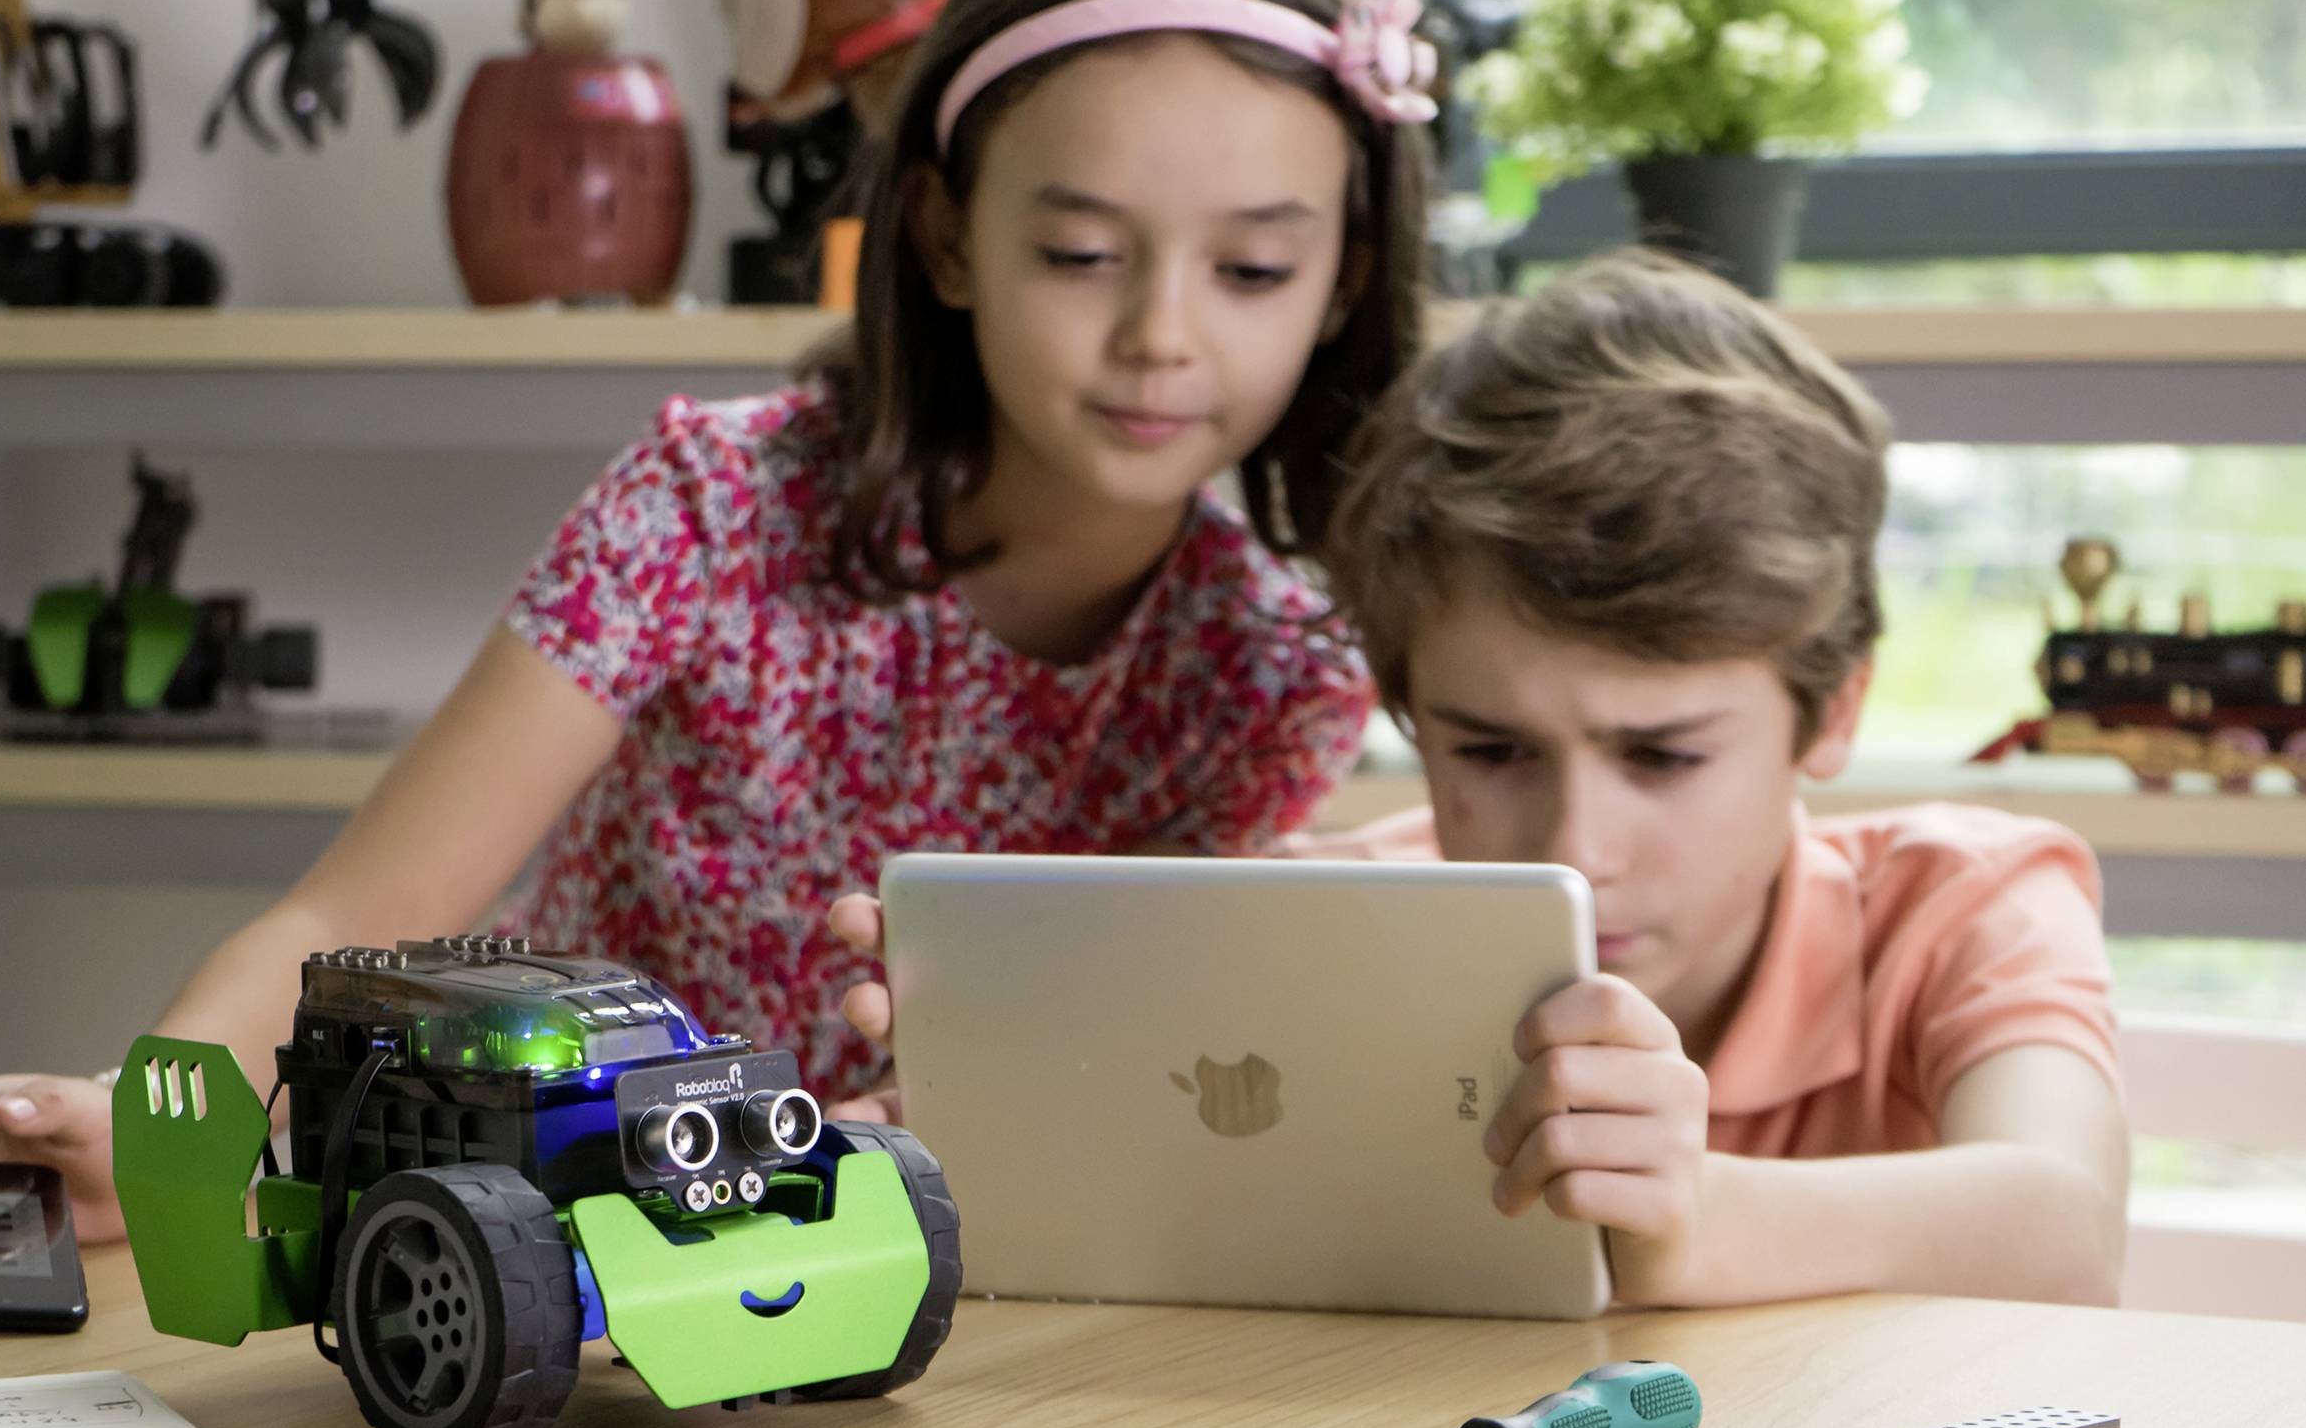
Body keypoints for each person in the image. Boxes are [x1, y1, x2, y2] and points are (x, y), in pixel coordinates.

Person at [0, 0, 1440, 1268]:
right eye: (1077, 251)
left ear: (1344, 275)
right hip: (533, 1251)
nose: (1160, 335)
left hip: (933, 1309)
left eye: (1251, 268)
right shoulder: (715, 504)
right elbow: (359, 916)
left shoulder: (1278, 661)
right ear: (943, 235)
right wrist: (152, 1135)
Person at [838, 252, 2127, 1306]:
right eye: (1491, 751)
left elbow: (2068, 1229)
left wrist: (1693, 1216)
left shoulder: (1963, 905)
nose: (1577, 845)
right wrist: (1003, 1150)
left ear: (1833, 710)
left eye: (1664, 756)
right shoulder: (1310, 936)